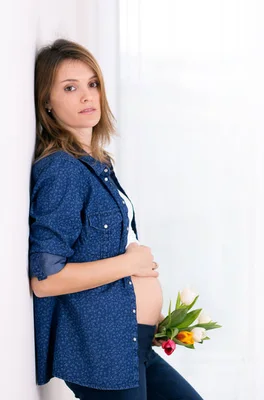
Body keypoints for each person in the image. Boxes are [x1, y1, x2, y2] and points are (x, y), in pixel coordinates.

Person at [29, 38, 203, 400]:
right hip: (102, 353)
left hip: (130, 342)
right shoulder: (61, 170)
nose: (87, 96)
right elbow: (45, 279)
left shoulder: (97, 163)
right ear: (47, 102)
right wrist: (130, 263)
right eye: (70, 87)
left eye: (92, 84)